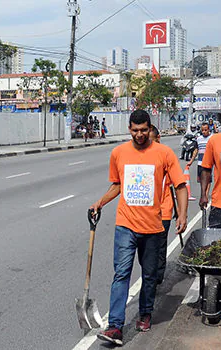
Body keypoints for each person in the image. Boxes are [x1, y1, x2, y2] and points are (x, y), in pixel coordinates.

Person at [90, 109, 189, 346]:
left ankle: (145, 313)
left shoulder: (164, 153)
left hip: (153, 227)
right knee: (121, 273)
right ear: (129, 129)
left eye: (144, 130)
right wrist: (100, 202)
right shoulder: (118, 153)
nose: (140, 134)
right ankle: (115, 327)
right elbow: (118, 185)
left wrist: (182, 215)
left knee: (149, 274)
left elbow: (180, 186)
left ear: (150, 127)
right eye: (135, 130)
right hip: (125, 224)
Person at [148, 125, 174, 285]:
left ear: (158, 139)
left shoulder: (166, 156)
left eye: (151, 141)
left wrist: (182, 214)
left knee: (160, 246)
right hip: (146, 213)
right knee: (147, 249)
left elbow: (176, 185)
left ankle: (157, 278)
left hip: (163, 210)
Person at [187, 122, 213, 194]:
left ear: (209, 130)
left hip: (208, 163)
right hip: (200, 163)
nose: (204, 132)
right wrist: (191, 161)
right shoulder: (199, 139)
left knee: (208, 180)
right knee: (201, 180)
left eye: (205, 130)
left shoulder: (212, 138)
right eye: (203, 130)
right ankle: (203, 193)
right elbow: (196, 150)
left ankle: (206, 194)